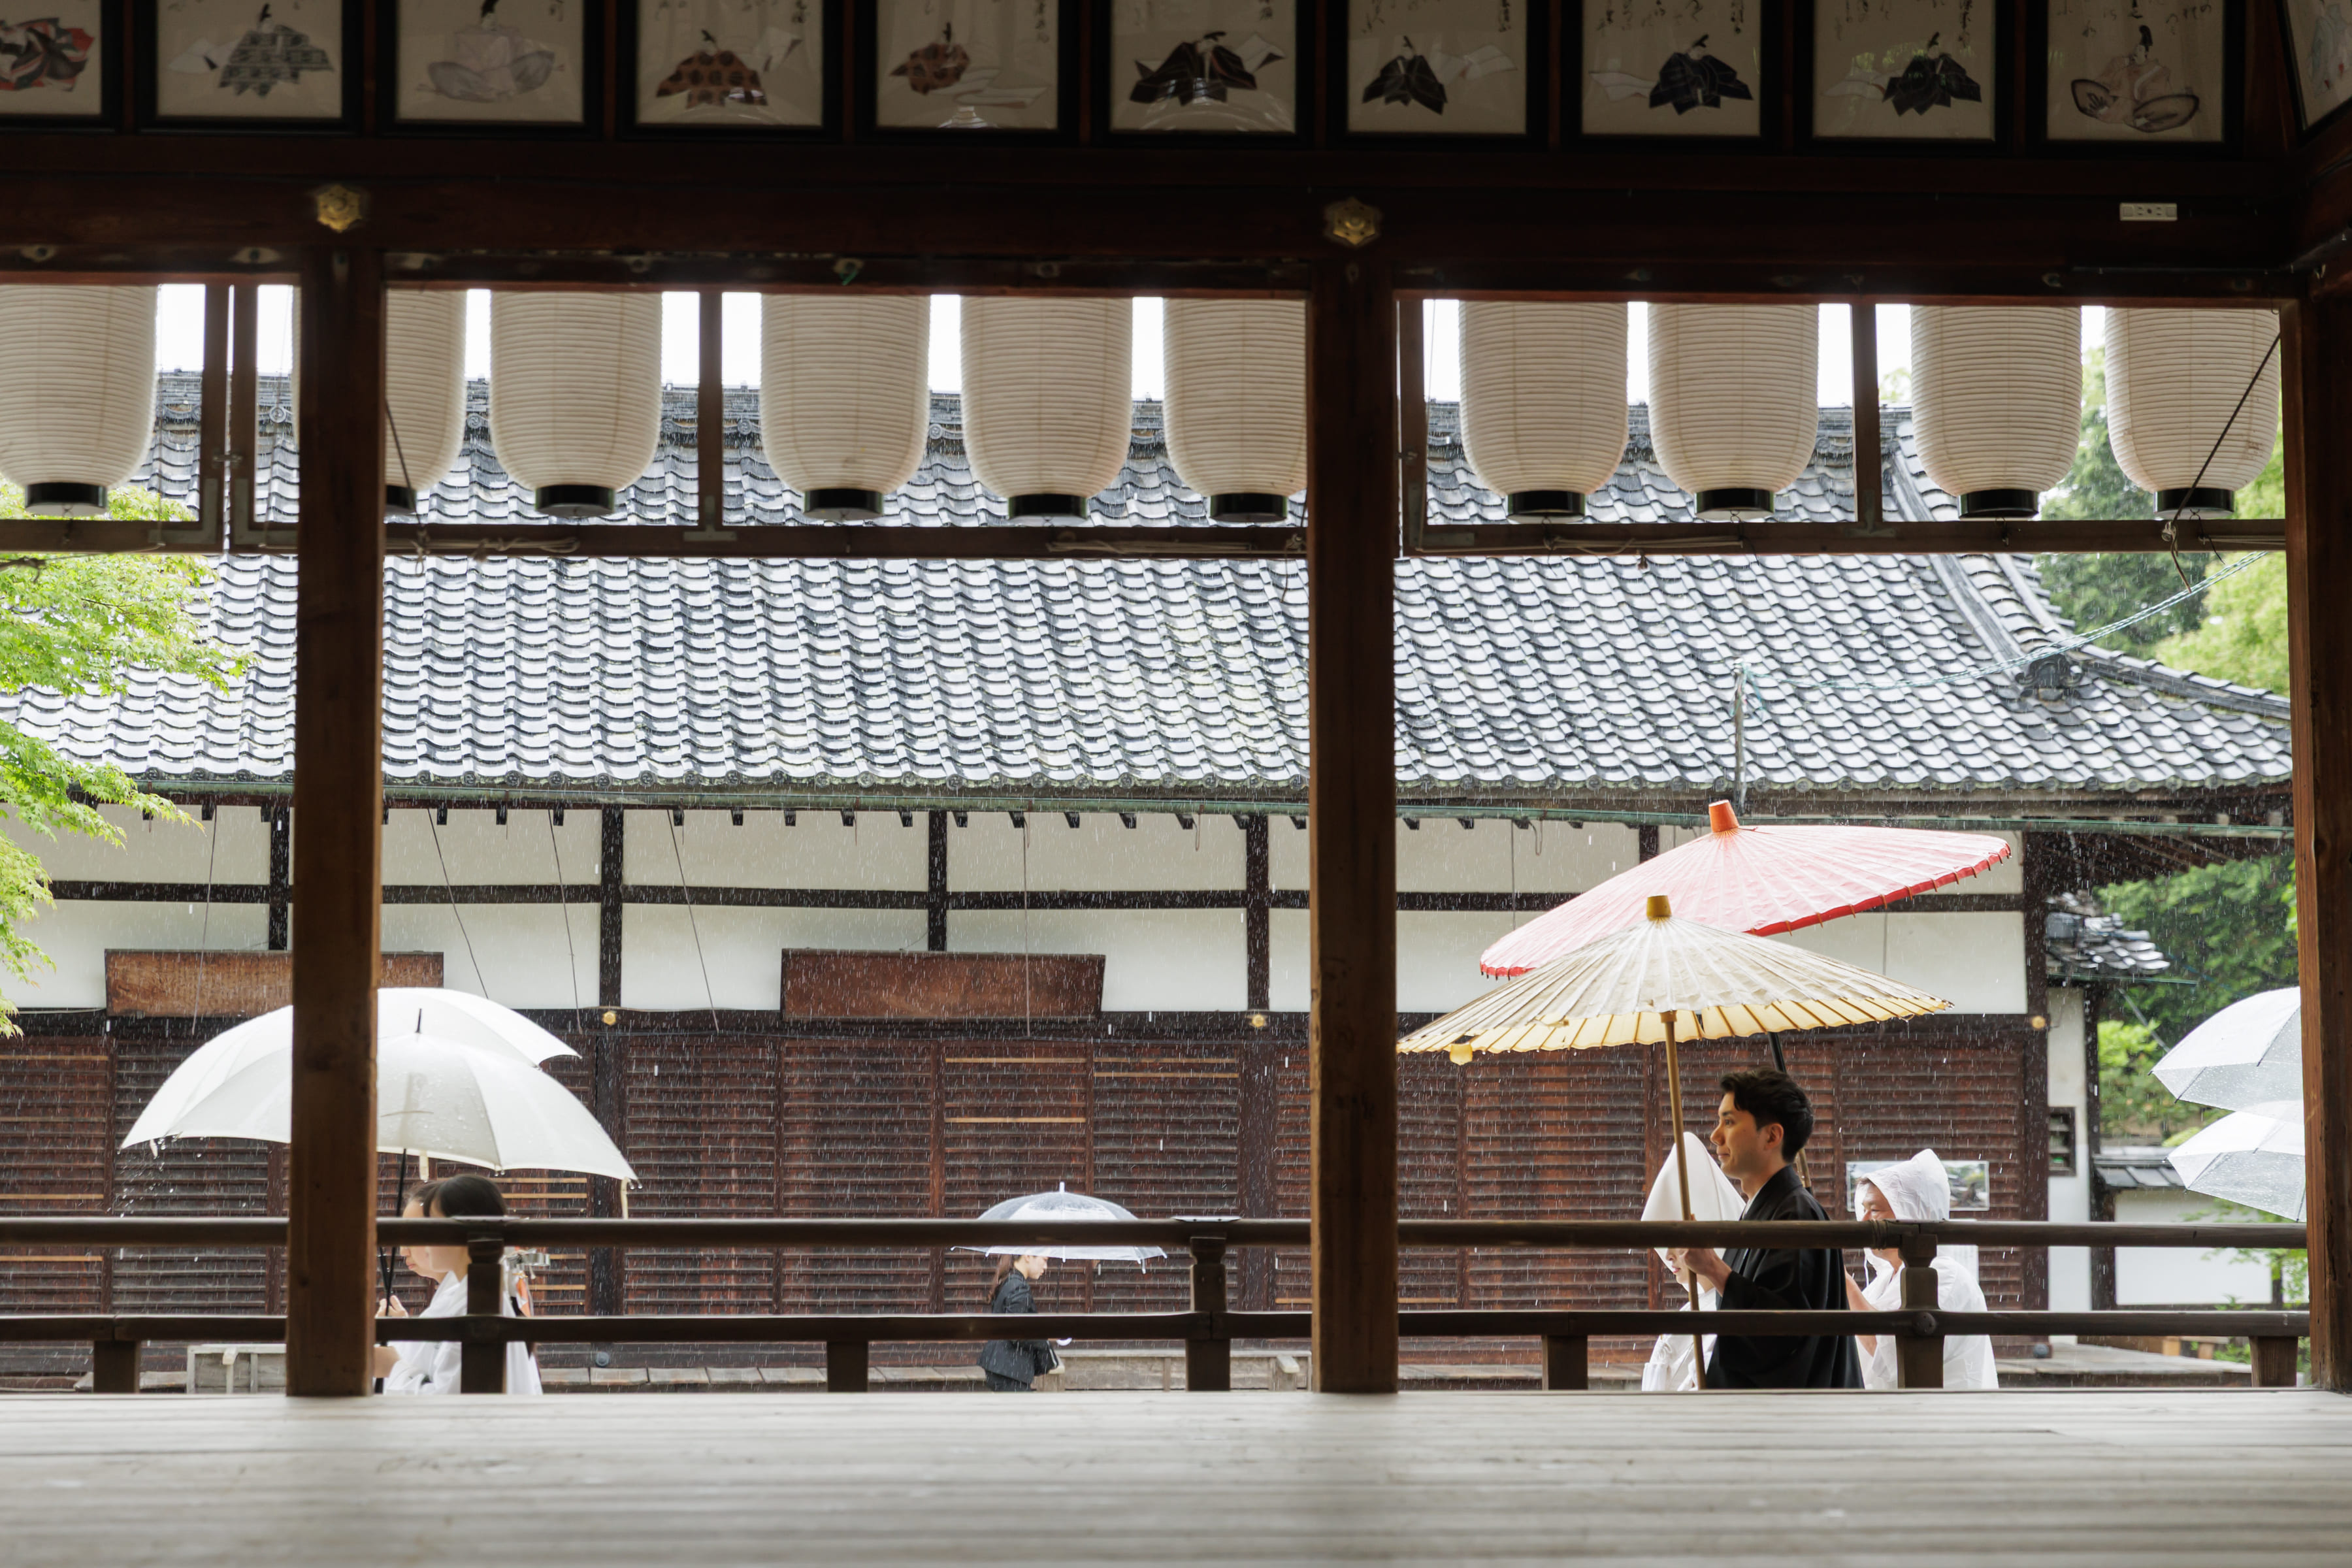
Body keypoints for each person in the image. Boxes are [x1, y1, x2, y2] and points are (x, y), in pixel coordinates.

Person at [1668, 1068, 1862, 1390]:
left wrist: (1714, 1268)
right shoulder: (1765, 1209)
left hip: (1790, 1410)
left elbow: (1781, 1334)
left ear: (1772, 1136)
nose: (1715, 1136)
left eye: (1729, 1122)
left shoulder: (1795, 1214)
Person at [376, 1174, 543, 1396]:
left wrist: (394, 1368)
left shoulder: (476, 1302)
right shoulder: (470, 1293)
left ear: (464, 1232)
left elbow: (451, 1400)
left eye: (430, 1228)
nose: (423, 1241)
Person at [1845, 1149, 1998, 1390]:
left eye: (1874, 1210)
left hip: (1938, 1410)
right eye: (1863, 1210)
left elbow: (1892, 1356)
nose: (1863, 1222)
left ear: (1912, 1213)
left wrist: (1844, 1283)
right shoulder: (1885, 1279)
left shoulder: (1944, 1276)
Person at [977, 1254, 1056, 1392]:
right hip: (1010, 1369)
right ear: (1028, 1256)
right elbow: (1016, 1332)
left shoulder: (1009, 1281)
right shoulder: (1018, 1287)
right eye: (1044, 1260)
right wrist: (1046, 1335)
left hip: (1003, 1366)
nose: (1046, 1267)